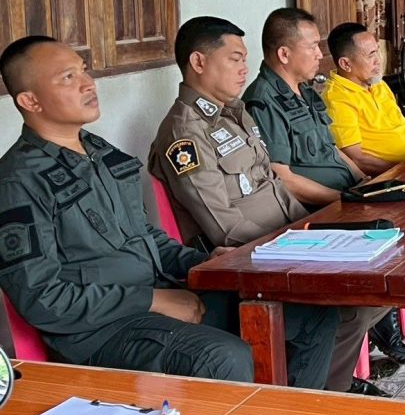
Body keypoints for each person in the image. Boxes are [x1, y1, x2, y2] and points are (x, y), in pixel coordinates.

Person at [0, 37, 263, 384]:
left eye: (84, 71)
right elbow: (43, 298)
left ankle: (302, 414)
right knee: (222, 357)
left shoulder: (100, 152)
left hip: (157, 295)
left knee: (296, 311)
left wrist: (204, 264)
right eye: (67, 78)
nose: (88, 84)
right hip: (100, 332)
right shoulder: (18, 181)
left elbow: (146, 238)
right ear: (30, 101)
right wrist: (152, 301)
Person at [148, 17, 389, 395]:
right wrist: (296, 246)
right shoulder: (185, 132)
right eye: (234, 59)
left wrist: (315, 231)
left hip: (287, 238)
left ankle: (328, 391)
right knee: (346, 307)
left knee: (378, 276)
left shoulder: (236, 113)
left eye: (245, 59)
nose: (244, 68)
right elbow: (224, 228)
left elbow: (273, 186)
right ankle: (311, 400)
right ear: (198, 62)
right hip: (250, 261)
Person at [242, 8, 405, 364]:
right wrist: (343, 198)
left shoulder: (305, 92)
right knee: (386, 239)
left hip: (343, 196)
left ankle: (376, 325)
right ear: (284, 54)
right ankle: (346, 362)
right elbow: (282, 177)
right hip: (315, 211)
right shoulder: (264, 101)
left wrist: (361, 183)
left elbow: (334, 151)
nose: (320, 55)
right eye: (312, 46)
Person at [321, 23, 405, 177]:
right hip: (391, 178)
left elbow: (404, 128)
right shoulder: (337, 98)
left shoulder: (377, 83)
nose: (378, 60)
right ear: (346, 64)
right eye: (370, 55)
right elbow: (357, 159)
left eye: (377, 51)